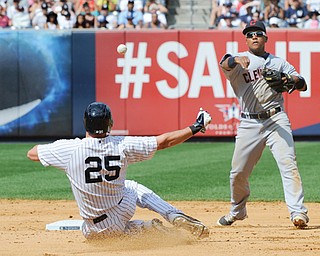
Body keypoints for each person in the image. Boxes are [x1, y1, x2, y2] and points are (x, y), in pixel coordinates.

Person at [27, 102, 212, 239]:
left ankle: (151, 228)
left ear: (86, 124)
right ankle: (171, 215)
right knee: (131, 186)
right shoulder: (121, 145)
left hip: (92, 229)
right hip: (120, 212)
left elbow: (32, 154)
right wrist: (196, 127)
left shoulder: (70, 149)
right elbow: (164, 141)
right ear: (109, 123)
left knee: (94, 231)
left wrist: (54, 149)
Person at [217, 20, 309, 229]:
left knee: (288, 165)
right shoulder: (239, 61)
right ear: (246, 39)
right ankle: (237, 211)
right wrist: (236, 59)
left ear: (266, 37)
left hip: (276, 119)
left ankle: (298, 212)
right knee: (238, 172)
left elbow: (302, 83)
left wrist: (289, 79)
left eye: (258, 33)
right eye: (249, 34)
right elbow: (225, 63)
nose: (254, 37)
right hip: (249, 122)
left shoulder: (279, 62)